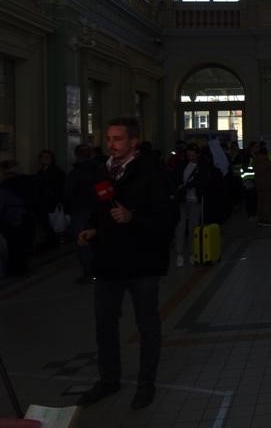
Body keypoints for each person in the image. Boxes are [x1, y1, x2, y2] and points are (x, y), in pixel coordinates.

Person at [76, 117, 173, 410]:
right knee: (105, 324)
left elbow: (168, 219)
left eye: (117, 139)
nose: (111, 144)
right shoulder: (101, 172)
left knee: (147, 325)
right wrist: (92, 229)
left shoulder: (152, 173)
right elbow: (99, 211)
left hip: (143, 263)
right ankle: (109, 379)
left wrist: (133, 218)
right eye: (108, 139)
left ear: (133, 141)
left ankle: (146, 384)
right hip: (109, 262)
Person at [171, 142, 211, 268]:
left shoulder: (203, 166)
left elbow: (203, 181)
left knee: (193, 227)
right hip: (182, 200)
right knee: (180, 226)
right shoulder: (181, 165)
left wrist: (187, 185)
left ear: (198, 154)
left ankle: (192, 253)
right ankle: (179, 254)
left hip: (195, 200)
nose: (190, 157)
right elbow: (174, 179)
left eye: (193, 155)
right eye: (188, 155)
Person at [63, 144, 97, 282]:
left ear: (77, 155)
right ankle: (98, 270)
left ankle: (89, 273)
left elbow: (68, 194)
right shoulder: (99, 170)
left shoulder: (75, 173)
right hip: (97, 209)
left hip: (80, 210)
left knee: (83, 241)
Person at [254, 145, 271, 226]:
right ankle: (265, 220)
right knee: (267, 203)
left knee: (260, 202)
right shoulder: (267, 162)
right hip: (267, 185)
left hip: (258, 184)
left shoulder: (255, 161)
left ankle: (259, 219)